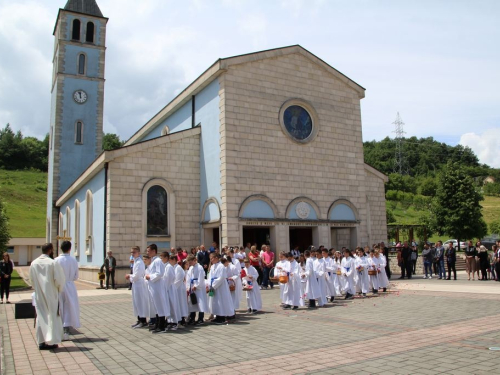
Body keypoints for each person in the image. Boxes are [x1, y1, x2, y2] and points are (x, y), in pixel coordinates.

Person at [29, 243, 66, 350]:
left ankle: (41, 341)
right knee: (52, 316)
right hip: (51, 293)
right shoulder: (52, 263)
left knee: (41, 316)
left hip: (39, 293)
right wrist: (59, 289)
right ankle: (52, 341)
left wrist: (36, 288)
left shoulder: (34, 263)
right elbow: (59, 279)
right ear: (50, 250)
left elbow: (31, 279)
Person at [54, 241, 81, 341]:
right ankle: (66, 329)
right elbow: (76, 276)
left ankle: (60, 328)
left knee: (60, 307)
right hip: (70, 285)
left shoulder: (56, 260)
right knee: (69, 307)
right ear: (70, 248)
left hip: (59, 285)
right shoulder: (73, 260)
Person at [144, 245, 169, 333]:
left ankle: (161, 326)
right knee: (156, 306)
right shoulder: (153, 261)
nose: (147, 253)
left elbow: (160, 273)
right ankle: (157, 324)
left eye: (149, 251)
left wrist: (149, 276)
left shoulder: (158, 261)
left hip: (157, 286)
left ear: (154, 251)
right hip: (153, 286)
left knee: (159, 305)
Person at [125, 246, 149, 329]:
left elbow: (136, 276)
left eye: (134, 252)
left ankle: (143, 320)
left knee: (140, 302)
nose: (132, 254)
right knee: (136, 302)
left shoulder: (139, 262)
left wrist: (129, 276)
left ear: (138, 253)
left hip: (139, 284)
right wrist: (131, 277)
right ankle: (139, 319)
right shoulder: (135, 262)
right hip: (135, 284)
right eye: (131, 252)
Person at [207, 253, 234, 323]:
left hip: (221, 286)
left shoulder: (221, 266)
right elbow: (210, 277)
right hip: (214, 286)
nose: (211, 260)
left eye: (212, 258)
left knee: (221, 301)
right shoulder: (213, 266)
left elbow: (221, 277)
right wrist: (210, 284)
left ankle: (222, 317)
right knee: (215, 301)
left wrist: (213, 285)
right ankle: (217, 315)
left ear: (216, 258)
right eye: (210, 259)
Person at [186, 254, 208, 325]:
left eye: (190, 262)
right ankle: (192, 318)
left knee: (200, 302)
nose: (190, 264)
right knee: (192, 302)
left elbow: (201, 278)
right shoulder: (191, 268)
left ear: (194, 260)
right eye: (189, 262)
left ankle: (200, 318)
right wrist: (188, 287)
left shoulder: (199, 267)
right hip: (192, 287)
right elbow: (188, 278)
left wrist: (196, 285)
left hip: (199, 288)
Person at [170, 255, 188, 327]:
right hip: (176, 289)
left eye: (170, 260)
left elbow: (178, 280)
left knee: (180, 304)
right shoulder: (173, 267)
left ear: (174, 260)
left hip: (179, 289)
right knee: (178, 304)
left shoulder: (178, 268)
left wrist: (172, 287)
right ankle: (178, 319)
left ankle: (181, 320)